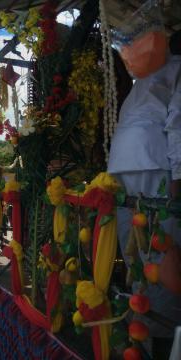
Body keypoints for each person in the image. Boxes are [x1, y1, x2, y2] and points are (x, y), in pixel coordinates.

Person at [108, 32, 181, 359]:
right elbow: (178, 128)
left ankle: (141, 337)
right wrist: (178, 191)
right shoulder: (176, 71)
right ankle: (159, 340)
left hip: (124, 163)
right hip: (152, 162)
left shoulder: (150, 76)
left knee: (138, 255)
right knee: (163, 249)